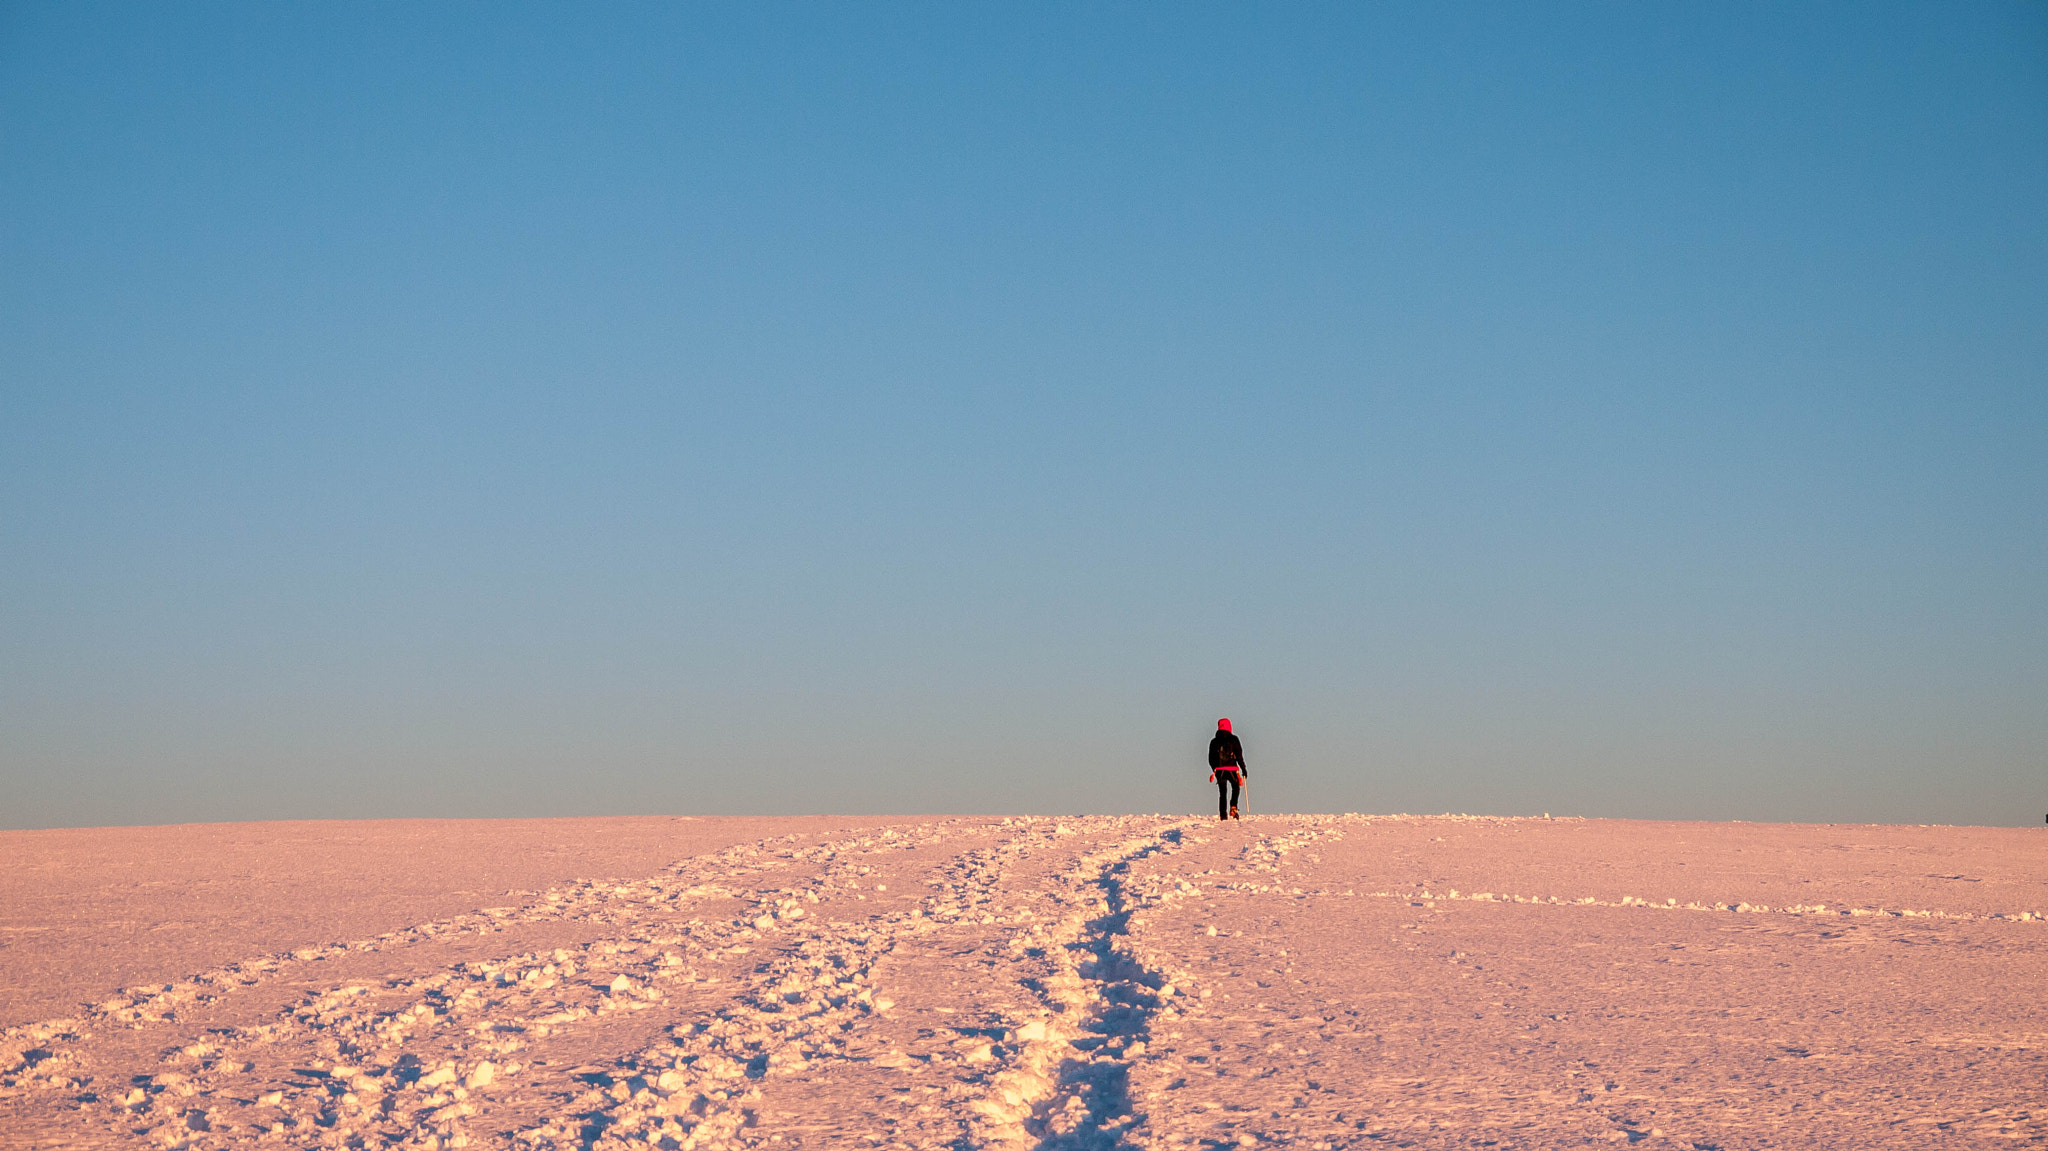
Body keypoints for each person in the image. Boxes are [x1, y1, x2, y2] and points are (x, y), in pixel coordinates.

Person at [1208, 718, 1247, 821]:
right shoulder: (1234, 739)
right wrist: (1243, 769)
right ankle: (1233, 807)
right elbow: (1239, 756)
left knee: (1222, 792)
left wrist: (1214, 769)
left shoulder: (1214, 741)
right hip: (1232, 769)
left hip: (1219, 770)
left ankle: (1223, 816)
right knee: (1235, 787)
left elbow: (1210, 758)